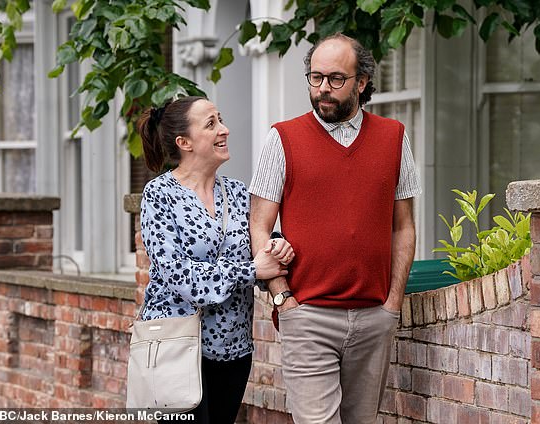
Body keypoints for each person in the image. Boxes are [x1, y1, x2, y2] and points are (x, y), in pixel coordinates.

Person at [249, 33, 422, 424]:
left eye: (335, 79)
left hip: (374, 316)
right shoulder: (283, 138)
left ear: (361, 82)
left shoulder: (394, 138)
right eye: (315, 77)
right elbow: (259, 226)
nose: (323, 89)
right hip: (306, 316)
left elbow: (404, 227)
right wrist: (282, 300)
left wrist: (392, 303)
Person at [137, 96, 295, 424]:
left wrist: (277, 248)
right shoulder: (158, 196)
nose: (224, 129)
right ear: (185, 142)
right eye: (211, 124)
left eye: (220, 119)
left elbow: (259, 247)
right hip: (176, 345)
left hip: (234, 348)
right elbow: (178, 274)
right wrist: (253, 270)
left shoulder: (239, 194)